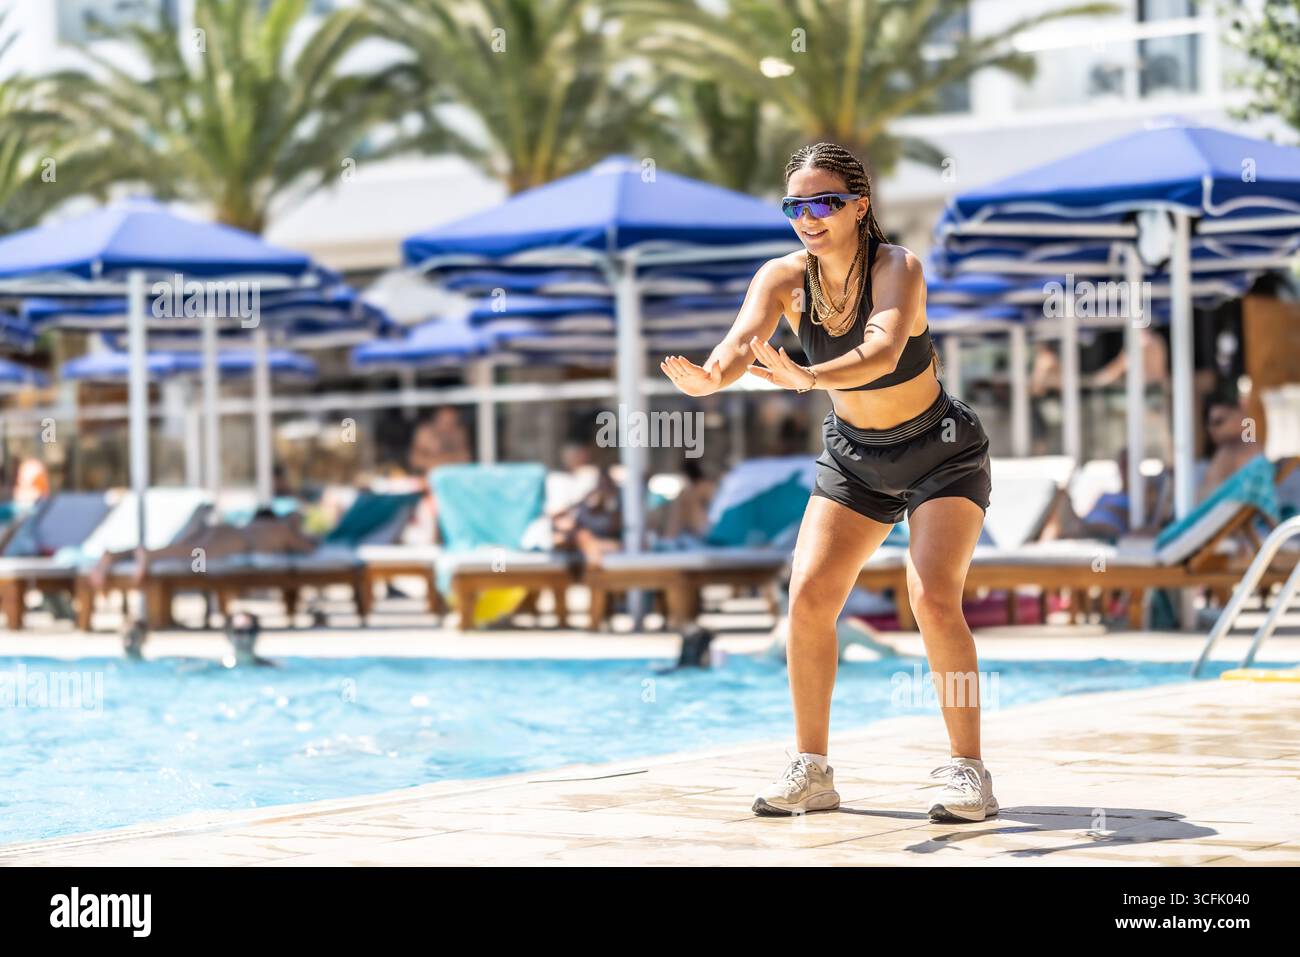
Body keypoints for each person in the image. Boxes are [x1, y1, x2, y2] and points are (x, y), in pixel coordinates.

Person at [661, 142, 997, 823]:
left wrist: (810, 376)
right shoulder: (782, 277)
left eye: (825, 202)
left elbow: (882, 348)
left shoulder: (897, 267)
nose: (809, 217)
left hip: (939, 453)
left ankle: (970, 772)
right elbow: (739, 344)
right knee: (809, 595)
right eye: (796, 205)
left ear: (859, 206)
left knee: (933, 598)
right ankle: (812, 770)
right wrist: (711, 377)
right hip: (854, 457)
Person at [86, 507, 318, 591]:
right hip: (236, 541)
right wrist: (306, 534)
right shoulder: (283, 529)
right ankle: (148, 555)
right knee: (186, 553)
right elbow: (308, 549)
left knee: (178, 548)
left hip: (224, 530)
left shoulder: (261, 525)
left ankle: (115, 555)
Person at [1199, 396, 1257, 503]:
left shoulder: (1245, 451)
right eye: (1209, 425)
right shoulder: (1225, 453)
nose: (1212, 430)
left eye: (1219, 422)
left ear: (1240, 413)